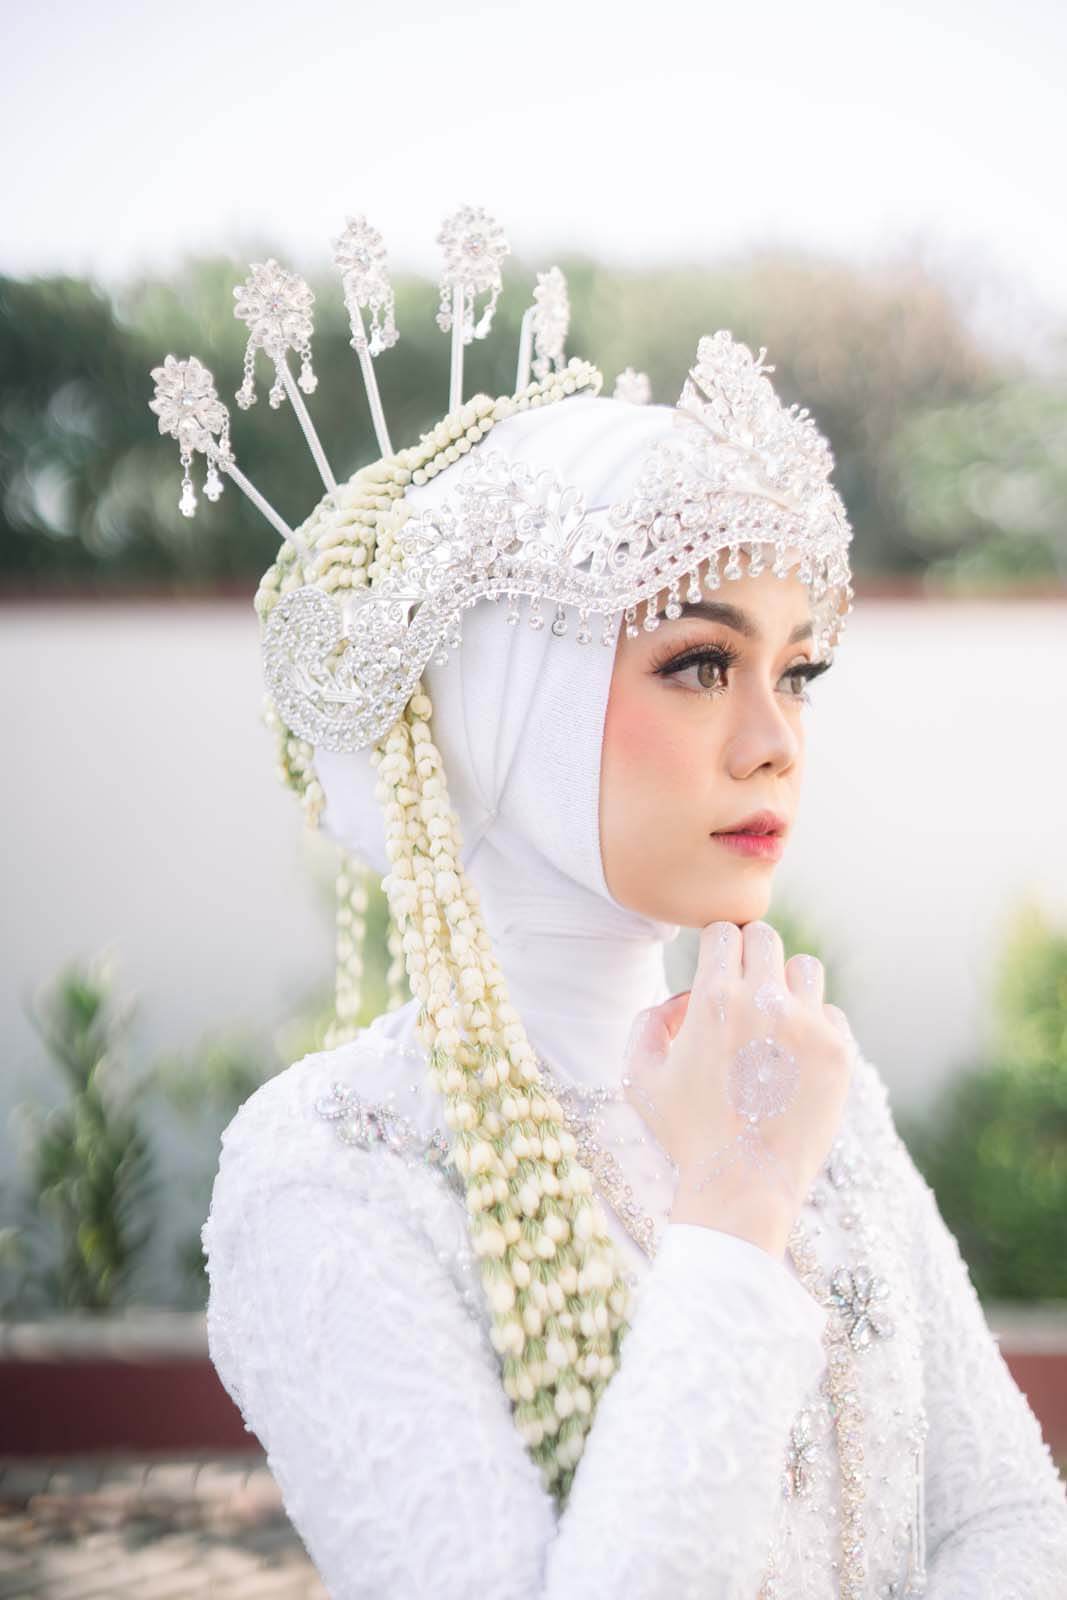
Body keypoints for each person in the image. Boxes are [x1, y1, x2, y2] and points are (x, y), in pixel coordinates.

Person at [157, 214, 1067, 1598]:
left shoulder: (807, 1083)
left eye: (799, 671)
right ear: (503, 703)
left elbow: (1009, 1522)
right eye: (701, 663)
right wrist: (735, 1208)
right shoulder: (336, 1167)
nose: (775, 741)